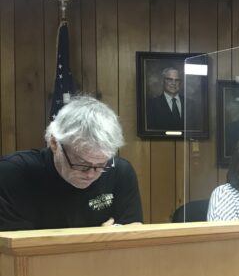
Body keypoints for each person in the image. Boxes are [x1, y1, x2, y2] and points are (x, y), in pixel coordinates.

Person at [0, 96, 143, 231]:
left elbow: (133, 232)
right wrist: (97, 239)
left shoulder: (120, 171)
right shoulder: (12, 173)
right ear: (54, 143)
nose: (91, 174)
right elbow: (16, 244)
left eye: (101, 164)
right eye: (82, 164)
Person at [146, 67, 184, 131]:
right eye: (170, 80)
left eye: (177, 80)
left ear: (180, 82)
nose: (173, 83)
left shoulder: (190, 103)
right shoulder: (152, 104)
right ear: (163, 81)